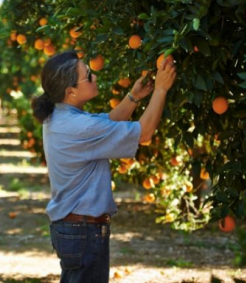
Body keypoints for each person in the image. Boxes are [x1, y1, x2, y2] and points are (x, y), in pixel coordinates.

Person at [31, 50, 177, 283]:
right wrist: (161, 89)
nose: (94, 77)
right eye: (88, 76)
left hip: (71, 228)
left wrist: (133, 97)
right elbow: (145, 131)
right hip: (84, 231)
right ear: (71, 91)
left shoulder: (59, 116)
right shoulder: (79, 127)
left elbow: (106, 122)